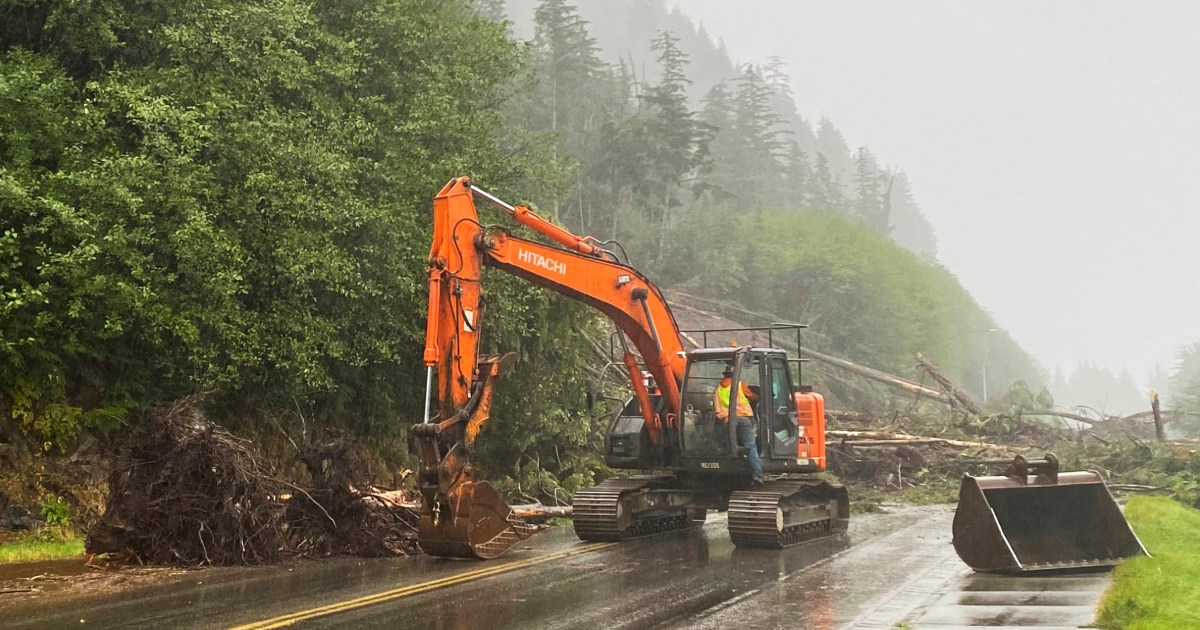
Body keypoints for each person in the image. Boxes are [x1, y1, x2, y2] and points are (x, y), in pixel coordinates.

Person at [713, 363, 763, 485]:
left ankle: (732, 471)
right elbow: (753, 397)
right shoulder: (740, 385)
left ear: (725, 375)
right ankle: (757, 475)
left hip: (727, 421)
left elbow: (716, 408)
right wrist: (757, 396)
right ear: (735, 374)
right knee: (750, 445)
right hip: (743, 418)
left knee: (729, 447)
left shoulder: (718, 388)